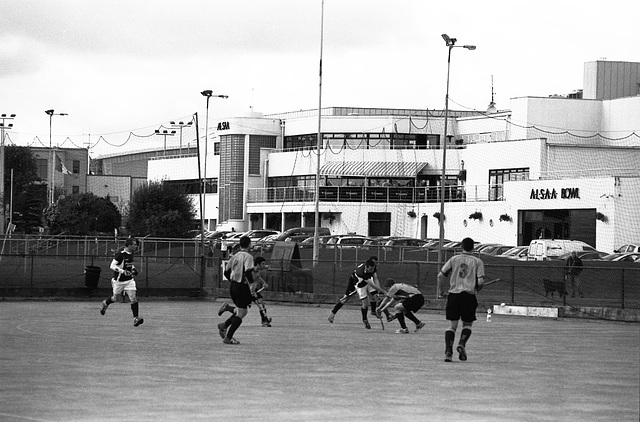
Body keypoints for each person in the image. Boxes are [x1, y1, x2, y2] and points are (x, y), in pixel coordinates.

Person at [437, 237, 485, 362]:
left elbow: (440, 275)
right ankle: (462, 343)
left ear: (461, 247)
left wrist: (441, 292)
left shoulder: (454, 259)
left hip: (454, 295)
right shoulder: (477, 262)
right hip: (469, 296)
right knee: (467, 324)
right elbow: (480, 281)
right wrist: (478, 289)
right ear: (473, 247)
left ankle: (448, 352)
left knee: (452, 326)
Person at [327, 257, 387, 329]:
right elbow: (372, 284)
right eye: (371, 269)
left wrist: (379, 291)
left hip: (367, 282)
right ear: (366, 267)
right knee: (347, 299)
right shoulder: (361, 272)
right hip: (357, 283)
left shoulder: (373, 267)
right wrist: (383, 291)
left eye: (374, 268)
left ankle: (374, 311)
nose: (372, 270)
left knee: (375, 296)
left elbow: (375, 278)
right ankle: (333, 313)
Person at [217, 235, 255, 345]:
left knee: (241, 311)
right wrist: (251, 284)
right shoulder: (248, 257)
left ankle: (224, 325)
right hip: (242, 286)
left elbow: (226, 272)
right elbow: (248, 272)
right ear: (249, 244)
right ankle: (228, 337)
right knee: (241, 313)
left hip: (233, 286)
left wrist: (233, 281)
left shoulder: (235, 256)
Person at [99, 237, 144, 327]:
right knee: (115, 298)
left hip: (129, 281)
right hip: (119, 281)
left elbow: (130, 264)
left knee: (133, 298)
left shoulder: (131, 254)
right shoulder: (120, 255)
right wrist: (123, 271)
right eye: (134, 244)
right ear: (129, 245)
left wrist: (134, 269)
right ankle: (105, 303)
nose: (136, 246)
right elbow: (112, 266)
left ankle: (136, 318)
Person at [218, 256, 273, 327]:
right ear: (258, 264)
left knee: (260, 302)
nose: (264, 265)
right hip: (246, 290)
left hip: (253, 290)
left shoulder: (257, 270)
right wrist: (252, 293)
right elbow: (247, 281)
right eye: (262, 264)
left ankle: (264, 320)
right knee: (241, 311)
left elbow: (258, 277)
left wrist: (264, 283)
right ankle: (227, 309)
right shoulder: (249, 271)